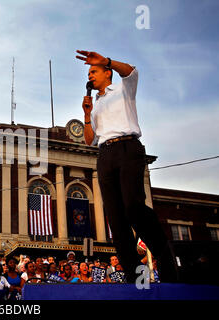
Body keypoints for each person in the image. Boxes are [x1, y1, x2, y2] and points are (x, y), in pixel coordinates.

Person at [76, 50, 171, 282]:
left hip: (128, 148)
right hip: (105, 154)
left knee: (134, 208)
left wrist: (105, 60)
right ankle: (135, 279)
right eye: (89, 72)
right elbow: (90, 139)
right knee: (116, 220)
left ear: (107, 73)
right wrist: (87, 115)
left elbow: (131, 72)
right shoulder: (95, 104)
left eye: (94, 71)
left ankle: (166, 261)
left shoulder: (122, 89)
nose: (90, 75)